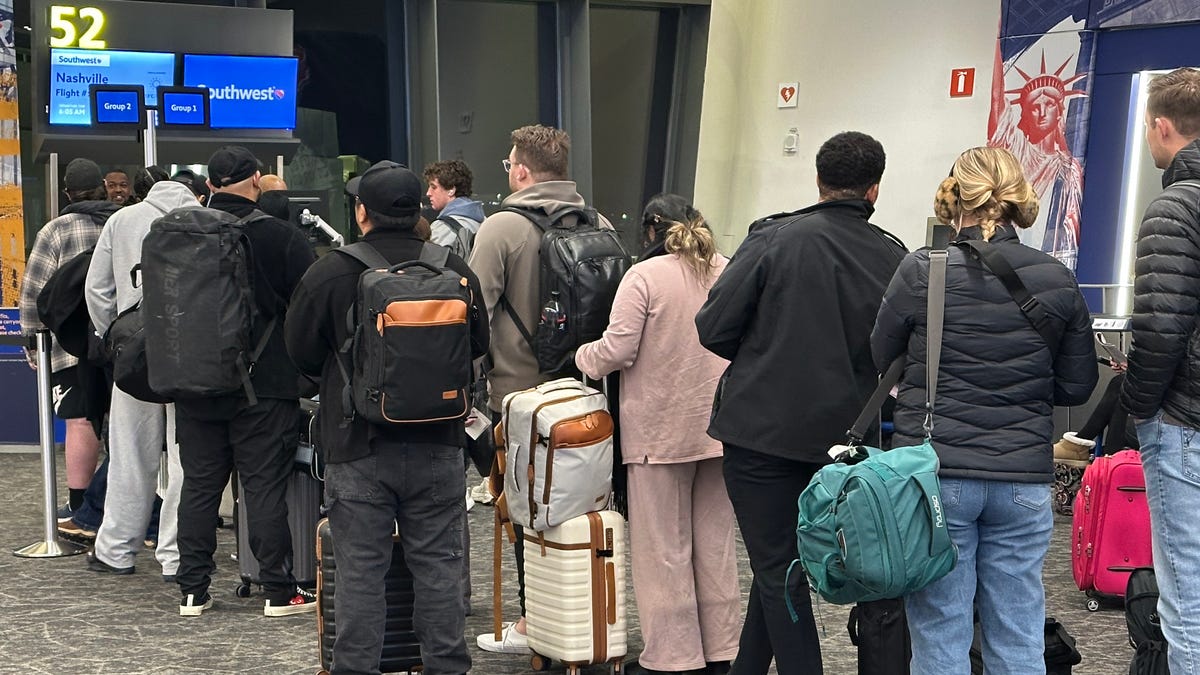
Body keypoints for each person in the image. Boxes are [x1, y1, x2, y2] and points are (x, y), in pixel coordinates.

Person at [872, 146, 1096, 673]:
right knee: (1018, 629)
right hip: (1022, 478)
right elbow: (1077, 384)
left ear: (955, 200)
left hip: (935, 475)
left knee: (940, 629)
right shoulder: (1056, 278)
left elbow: (882, 358)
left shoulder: (922, 270)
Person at [695, 132, 907, 674]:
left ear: (818, 180)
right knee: (784, 568)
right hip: (848, 444)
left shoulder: (774, 238)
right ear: (874, 190)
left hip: (760, 432)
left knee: (778, 570)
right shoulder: (894, 256)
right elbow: (903, 352)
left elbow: (713, 327)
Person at [285, 161, 487, 675]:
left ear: (361, 213)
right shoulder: (454, 270)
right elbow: (477, 348)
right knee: (440, 569)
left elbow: (301, 353)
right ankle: (447, 666)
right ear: (419, 208)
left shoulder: (330, 271)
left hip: (357, 447)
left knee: (359, 575)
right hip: (441, 443)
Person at [575, 194, 738, 675]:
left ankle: (674, 654)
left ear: (649, 231)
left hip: (658, 432)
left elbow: (618, 349)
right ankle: (723, 649)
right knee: (716, 543)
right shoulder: (727, 269)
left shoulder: (642, 277)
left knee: (662, 549)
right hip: (720, 428)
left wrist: (583, 356)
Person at [469, 123, 614, 654]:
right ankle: (578, 614)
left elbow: (474, 314)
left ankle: (534, 623)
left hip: (519, 396)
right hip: (585, 388)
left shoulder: (501, 227)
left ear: (522, 171)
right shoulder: (594, 221)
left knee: (526, 509)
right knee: (581, 506)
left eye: (509, 163)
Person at [173, 146, 317, 617]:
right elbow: (309, 307)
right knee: (263, 488)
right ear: (257, 179)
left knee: (199, 486)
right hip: (266, 383)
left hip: (194, 382)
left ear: (209, 184)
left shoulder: (179, 234)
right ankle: (279, 590)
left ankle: (192, 590)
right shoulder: (281, 236)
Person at [1119, 66, 1200, 675]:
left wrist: (1138, 405)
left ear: (1160, 126)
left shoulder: (1173, 208)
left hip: (1185, 420)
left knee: (1188, 597)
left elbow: (1162, 326)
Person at [83, 167, 199, 578]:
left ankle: (116, 549)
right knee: (188, 458)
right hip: (193, 354)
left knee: (130, 455)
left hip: (135, 353)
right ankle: (176, 554)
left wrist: (112, 332)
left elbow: (96, 289)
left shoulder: (123, 220)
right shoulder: (205, 222)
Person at [19, 158, 118, 524]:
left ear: (67, 193)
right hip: (120, 344)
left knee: (79, 420)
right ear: (105, 188)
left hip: (68, 345)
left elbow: (34, 291)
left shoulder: (56, 231)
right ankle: (117, 503)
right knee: (120, 425)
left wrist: (32, 341)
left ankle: (79, 505)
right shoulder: (121, 224)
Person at [424, 159, 484, 259]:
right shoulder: (485, 221)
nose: (428, 193)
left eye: (433, 187)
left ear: (451, 190)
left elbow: (431, 266)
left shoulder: (443, 228)